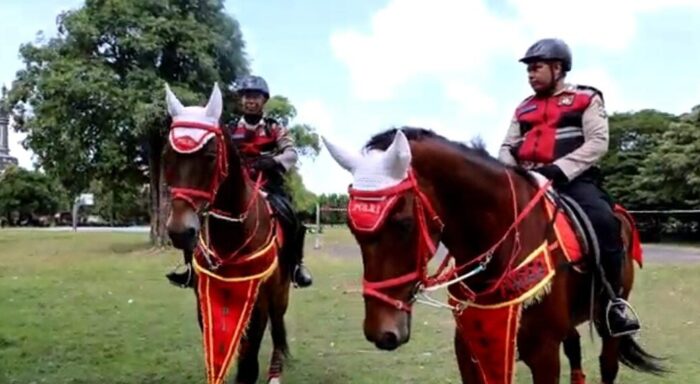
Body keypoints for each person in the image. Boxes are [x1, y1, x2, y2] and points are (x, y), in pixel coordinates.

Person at [498, 38, 640, 336]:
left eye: (536, 68)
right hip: (526, 182)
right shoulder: (523, 108)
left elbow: (597, 143)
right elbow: (507, 146)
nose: (531, 75)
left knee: (604, 222)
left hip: (572, 182)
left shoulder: (586, 99)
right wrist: (513, 174)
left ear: (557, 68)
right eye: (528, 71)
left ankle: (613, 304)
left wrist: (558, 170)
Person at [229, 74, 313, 288]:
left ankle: (296, 266)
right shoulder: (229, 130)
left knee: (292, 218)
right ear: (241, 99)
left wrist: (273, 161)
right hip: (235, 188)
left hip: (268, 187)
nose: (251, 100)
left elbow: (292, 153)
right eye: (247, 95)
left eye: (256, 96)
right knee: (202, 214)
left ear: (263, 100)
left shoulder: (275, 128)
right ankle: (191, 267)